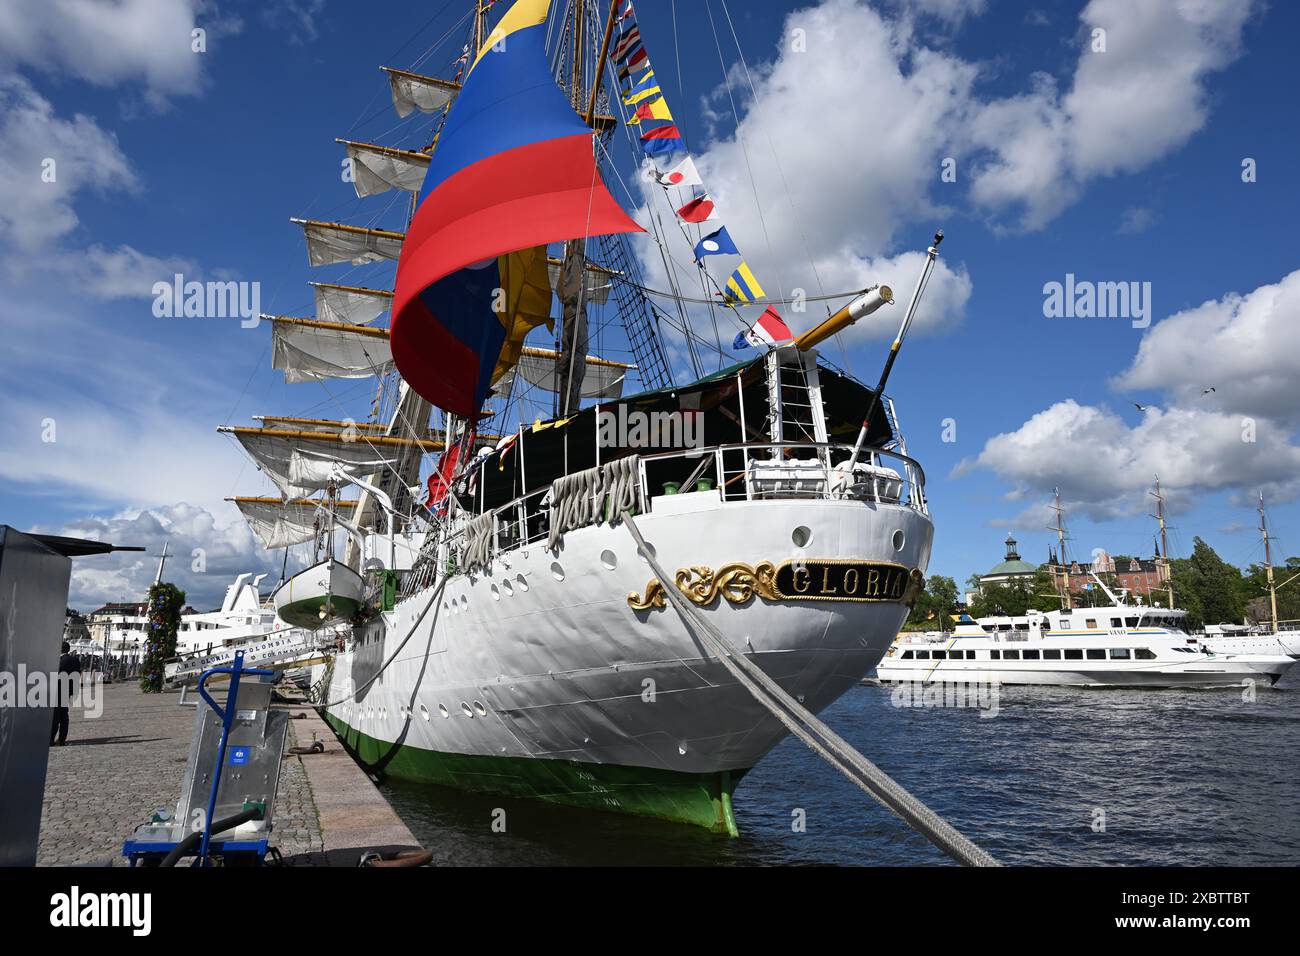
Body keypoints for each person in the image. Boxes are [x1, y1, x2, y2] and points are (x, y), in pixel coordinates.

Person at [50, 641, 81, 747]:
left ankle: (50, 740)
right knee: (64, 716)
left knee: (54, 717)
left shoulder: (59, 661)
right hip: (67, 691)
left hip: (57, 691)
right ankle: (62, 739)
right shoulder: (75, 660)